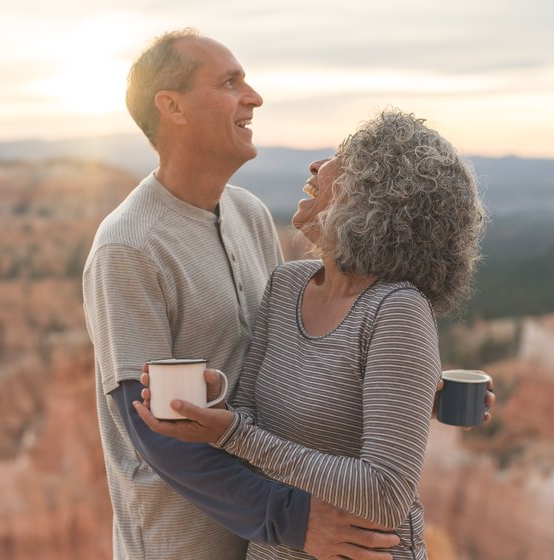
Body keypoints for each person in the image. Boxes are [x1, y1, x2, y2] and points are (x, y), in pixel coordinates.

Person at [83, 28, 404, 559]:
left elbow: (298, 352)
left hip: (267, 545)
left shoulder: (251, 214)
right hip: (182, 542)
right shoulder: (130, 247)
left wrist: (407, 381)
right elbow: (154, 431)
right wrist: (292, 518)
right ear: (173, 107)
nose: (254, 97)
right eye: (230, 83)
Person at [135, 109, 487, 560]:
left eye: (342, 158)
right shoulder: (287, 284)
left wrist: (230, 434)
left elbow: (385, 494)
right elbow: (249, 414)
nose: (315, 166)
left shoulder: (397, 310)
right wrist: (214, 406)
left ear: (378, 197)